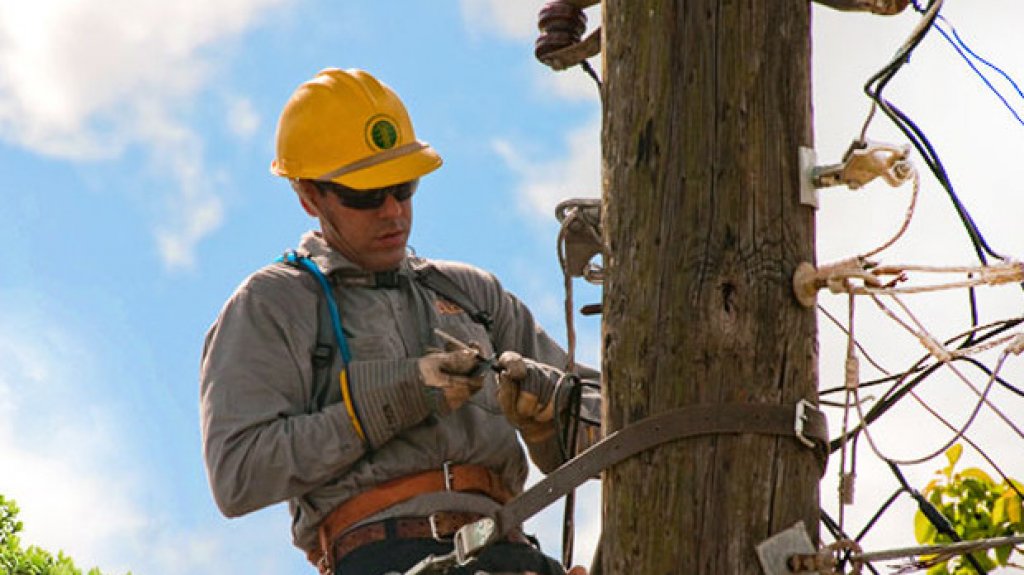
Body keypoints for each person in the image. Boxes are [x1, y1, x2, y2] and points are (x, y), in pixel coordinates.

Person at [200, 68, 598, 575]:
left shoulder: (471, 293)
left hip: (511, 553)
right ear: (309, 196)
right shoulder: (276, 303)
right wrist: (387, 404)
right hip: (382, 558)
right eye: (365, 196)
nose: (393, 212)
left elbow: (616, 419)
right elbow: (238, 474)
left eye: (402, 188)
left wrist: (549, 412)